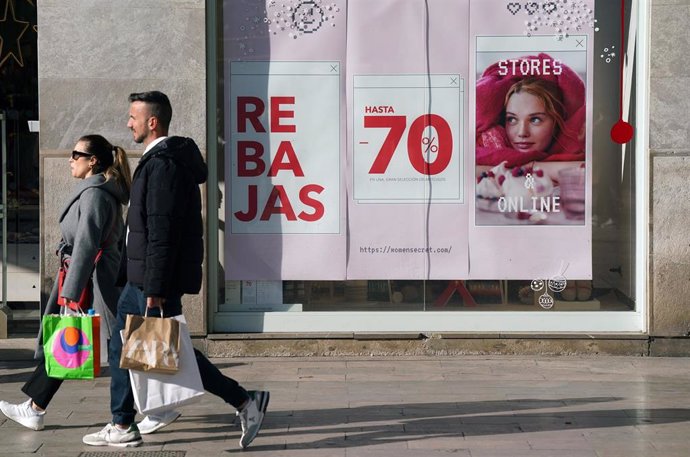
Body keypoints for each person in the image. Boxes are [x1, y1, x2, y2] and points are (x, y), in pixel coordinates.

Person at [82, 91, 269, 449]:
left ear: (152, 122)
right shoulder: (158, 162)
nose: (128, 123)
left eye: (133, 117)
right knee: (126, 347)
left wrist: (154, 288)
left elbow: (162, 231)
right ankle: (122, 423)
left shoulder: (164, 166)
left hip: (150, 283)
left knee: (172, 353)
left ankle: (246, 401)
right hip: (139, 279)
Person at [0, 135, 131, 431]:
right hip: (89, 277)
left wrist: (71, 292)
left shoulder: (95, 194)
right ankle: (35, 406)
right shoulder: (93, 191)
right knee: (73, 340)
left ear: (93, 160)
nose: (70, 160)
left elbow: (86, 244)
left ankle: (155, 405)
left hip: (93, 280)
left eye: (76, 154)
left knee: (111, 344)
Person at [476, 52, 586, 169]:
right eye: (512, 119)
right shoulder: (487, 144)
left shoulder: (581, 147)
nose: (522, 133)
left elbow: (584, 170)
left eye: (535, 119)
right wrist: (533, 167)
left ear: (557, 122)